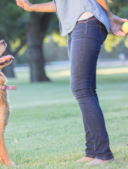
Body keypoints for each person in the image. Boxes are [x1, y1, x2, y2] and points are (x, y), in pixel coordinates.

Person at [15, 0, 128, 165]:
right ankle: (92, 151)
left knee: (80, 89)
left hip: (87, 21)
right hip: (77, 25)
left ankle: (104, 154)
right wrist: (33, 7)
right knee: (87, 89)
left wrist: (109, 15)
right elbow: (61, 3)